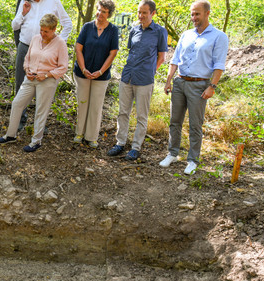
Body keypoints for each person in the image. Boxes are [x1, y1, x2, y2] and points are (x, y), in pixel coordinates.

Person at [159, 0, 228, 174]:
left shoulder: (219, 36)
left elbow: (219, 65)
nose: (194, 17)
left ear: (207, 13)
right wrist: (169, 80)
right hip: (180, 82)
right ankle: (172, 153)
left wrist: (212, 86)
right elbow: (175, 59)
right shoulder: (186, 34)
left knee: (195, 124)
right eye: (192, 14)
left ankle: (192, 160)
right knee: (175, 121)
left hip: (199, 85)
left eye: (197, 13)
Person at [107, 0, 168, 160]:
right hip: (127, 76)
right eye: (139, 12)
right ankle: (120, 143)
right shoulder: (134, 30)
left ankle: (135, 147)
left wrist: (150, 70)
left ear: (152, 13)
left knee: (141, 115)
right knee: (123, 112)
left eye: (144, 13)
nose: (141, 16)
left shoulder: (160, 31)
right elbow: (131, 52)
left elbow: (161, 57)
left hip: (145, 80)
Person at [0, 14, 69, 152]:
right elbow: (27, 58)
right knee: (17, 103)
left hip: (47, 81)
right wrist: (27, 69)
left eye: (46, 31)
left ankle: (36, 141)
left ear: (54, 29)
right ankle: (10, 135)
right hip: (30, 79)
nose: (42, 33)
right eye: (41, 30)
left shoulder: (60, 43)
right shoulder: (36, 38)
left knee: (40, 111)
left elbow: (63, 67)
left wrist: (47, 74)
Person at [11, 0, 72, 131]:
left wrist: (57, 43)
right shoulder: (24, 2)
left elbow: (67, 24)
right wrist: (23, 12)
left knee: (43, 87)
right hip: (25, 46)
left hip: (46, 52)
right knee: (21, 84)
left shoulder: (54, 2)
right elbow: (14, 26)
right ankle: (19, 121)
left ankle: (39, 125)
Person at [73, 0, 120, 148]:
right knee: (83, 103)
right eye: (99, 10)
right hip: (82, 73)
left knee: (95, 106)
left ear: (109, 14)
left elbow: (113, 53)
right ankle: (79, 133)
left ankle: (91, 136)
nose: (100, 13)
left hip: (101, 76)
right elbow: (78, 48)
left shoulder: (113, 30)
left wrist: (100, 71)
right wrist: (83, 69)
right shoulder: (87, 27)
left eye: (104, 11)